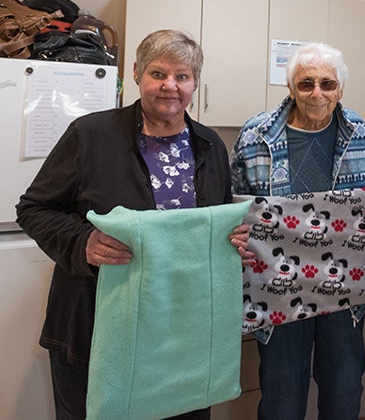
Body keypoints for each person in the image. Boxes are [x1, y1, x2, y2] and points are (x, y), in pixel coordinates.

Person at [15, 29, 251, 420]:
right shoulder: (90, 135)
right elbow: (35, 208)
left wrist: (232, 240)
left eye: (182, 76)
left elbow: (215, 219)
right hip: (97, 326)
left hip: (182, 331)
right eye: (158, 74)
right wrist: (82, 242)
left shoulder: (209, 145)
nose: (170, 86)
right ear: (138, 73)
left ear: (195, 83)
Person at [229, 42, 365, 420]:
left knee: (344, 388)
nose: (317, 94)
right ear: (290, 88)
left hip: (343, 284)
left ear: (340, 88)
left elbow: (363, 208)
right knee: (281, 395)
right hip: (277, 285)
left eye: (328, 84)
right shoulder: (255, 133)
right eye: (306, 83)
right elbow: (232, 204)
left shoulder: (355, 128)